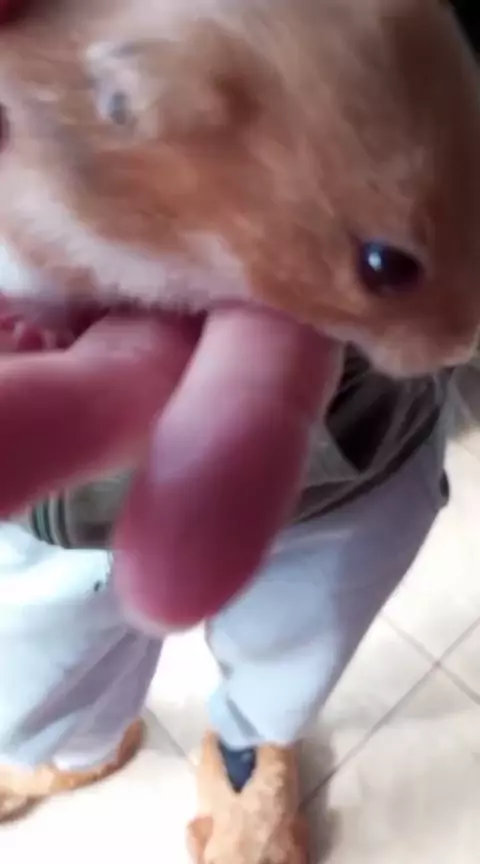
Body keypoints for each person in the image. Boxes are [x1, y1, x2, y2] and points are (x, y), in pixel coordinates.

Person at [0, 0, 473, 844]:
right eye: (385, 266)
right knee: (47, 641)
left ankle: (252, 747)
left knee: (303, 628)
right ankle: (78, 746)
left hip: (354, 443)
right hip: (57, 474)